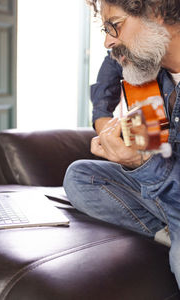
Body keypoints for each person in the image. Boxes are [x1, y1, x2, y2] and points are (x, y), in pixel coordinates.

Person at [63, 0, 180, 289]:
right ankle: (168, 228)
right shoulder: (147, 60)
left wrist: (142, 164)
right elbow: (110, 67)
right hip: (169, 189)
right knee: (79, 176)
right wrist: (103, 120)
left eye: (115, 24)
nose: (106, 40)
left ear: (157, 11)